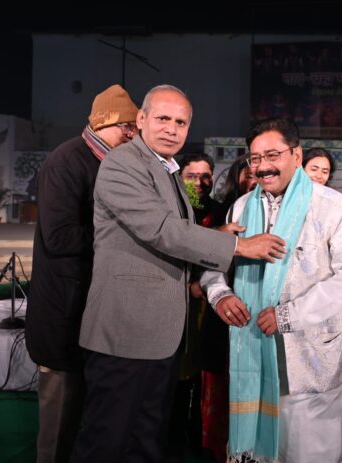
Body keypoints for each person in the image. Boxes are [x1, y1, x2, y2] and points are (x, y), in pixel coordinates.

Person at [70, 84, 287, 463]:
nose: (172, 129)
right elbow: (160, 230)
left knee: (144, 439)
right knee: (106, 441)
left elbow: (175, 231)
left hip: (159, 335)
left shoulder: (165, 168)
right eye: (163, 118)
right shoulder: (122, 164)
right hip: (125, 333)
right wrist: (238, 246)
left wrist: (217, 236)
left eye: (181, 122)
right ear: (141, 120)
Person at [201, 118, 342, 462]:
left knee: (308, 452)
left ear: (296, 155)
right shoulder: (242, 207)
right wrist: (219, 295)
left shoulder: (334, 207)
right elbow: (213, 262)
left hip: (312, 360)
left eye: (272, 155)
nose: (262, 166)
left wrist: (289, 315)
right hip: (253, 349)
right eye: (255, 158)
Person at [25, 84, 138, 463]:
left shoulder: (108, 162)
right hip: (63, 313)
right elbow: (59, 237)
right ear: (105, 122)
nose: (132, 134)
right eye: (127, 127)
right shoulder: (68, 160)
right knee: (60, 422)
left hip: (91, 314)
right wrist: (122, 235)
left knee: (86, 423)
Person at [198, 153, 257, 463]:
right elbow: (206, 262)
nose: (253, 180)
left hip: (259, 319)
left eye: (259, 174)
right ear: (236, 177)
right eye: (247, 174)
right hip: (223, 312)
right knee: (220, 389)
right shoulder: (221, 214)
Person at [167, 152, 226, 460]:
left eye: (206, 176)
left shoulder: (219, 211)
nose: (200, 182)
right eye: (192, 176)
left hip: (209, 305)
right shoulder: (171, 209)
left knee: (201, 374)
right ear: (180, 178)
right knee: (176, 376)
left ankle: (197, 436)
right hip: (172, 303)